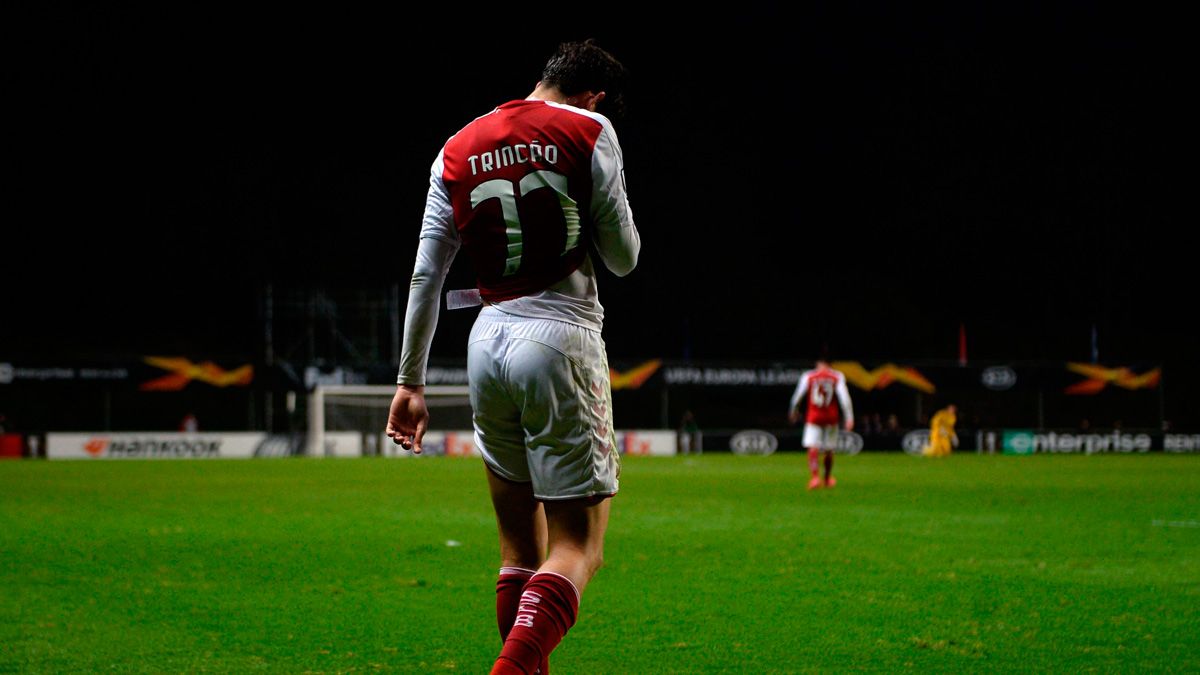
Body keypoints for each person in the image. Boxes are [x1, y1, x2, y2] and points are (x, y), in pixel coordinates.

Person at [385, 39, 639, 675]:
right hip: (559, 334)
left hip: (486, 342)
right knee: (579, 546)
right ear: (593, 95)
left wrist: (409, 383)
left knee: (519, 552)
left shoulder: (457, 145)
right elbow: (624, 257)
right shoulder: (589, 128)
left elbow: (425, 277)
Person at [787, 358, 854, 490]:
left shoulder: (809, 376)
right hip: (831, 418)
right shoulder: (837, 376)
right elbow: (844, 398)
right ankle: (827, 478)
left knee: (813, 447)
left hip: (814, 417)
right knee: (829, 449)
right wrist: (849, 417)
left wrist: (793, 411)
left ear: (818, 364)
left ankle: (815, 477)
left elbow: (798, 396)